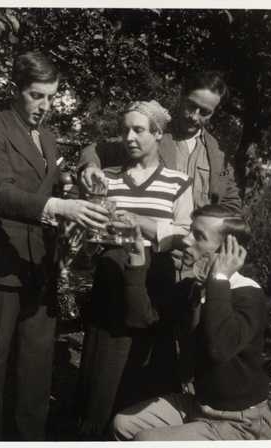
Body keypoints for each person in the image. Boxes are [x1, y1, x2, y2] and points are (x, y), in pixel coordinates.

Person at [0, 50, 108, 441]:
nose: (44, 106)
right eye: (36, 96)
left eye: (50, 97)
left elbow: (43, 178)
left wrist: (72, 182)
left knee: (35, 367)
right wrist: (60, 204)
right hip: (2, 268)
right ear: (16, 90)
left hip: (42, 267)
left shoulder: (46, 136)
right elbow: (0, 194)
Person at [77, 100, 193, 439]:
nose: (129, 137)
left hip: (153, 287)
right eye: (125, 129)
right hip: (111, 283)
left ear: (158, 134)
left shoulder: (178, 183)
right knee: (104, 372)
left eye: (138, 130)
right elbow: (89, 236)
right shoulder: (108, 180)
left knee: (146, 367)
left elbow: (186, 235)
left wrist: (140, 224)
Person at [111, 204, 271, 441]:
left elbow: (219, 347)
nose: (186, 240)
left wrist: (219, 277)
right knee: (123, 424)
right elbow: (143, 319)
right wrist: (137, 261)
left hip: (240, 422)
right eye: (190, 231)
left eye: (199, 236)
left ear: (229, 250)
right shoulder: (192, 290)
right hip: (199, 406)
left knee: (146, 440)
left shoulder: (248, 295)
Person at [78, 70, 241, 215]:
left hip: (195, 245)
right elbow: (96, 149)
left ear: (214, 112)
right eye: (191, 106)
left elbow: (230, 203)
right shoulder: (153, 133)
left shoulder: (219, 156)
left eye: (204, 112)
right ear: (182, 97)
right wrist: (90, 166)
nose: (194, 116)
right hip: (150, 239)